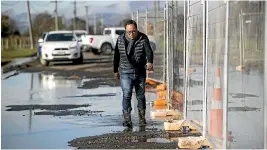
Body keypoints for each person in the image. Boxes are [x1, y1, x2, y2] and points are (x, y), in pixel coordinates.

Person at [113, 20, 154, 128]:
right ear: (125, 31)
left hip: (140, 71)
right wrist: (115, 71)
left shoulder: (143, 38)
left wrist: (149, 62)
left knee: (140, 96)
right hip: (125, 71)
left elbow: (149, 51)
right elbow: (116, 56)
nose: (132, 34)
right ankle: (127, 120)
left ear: (137, 29)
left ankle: (142, 118)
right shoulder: (120, 39)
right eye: (129, 32)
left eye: (134, 31)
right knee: (127, 94)